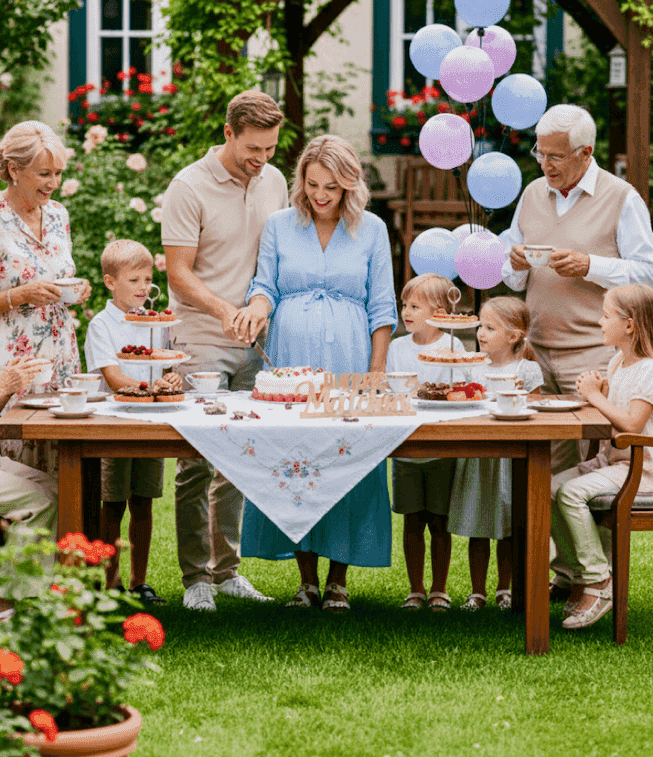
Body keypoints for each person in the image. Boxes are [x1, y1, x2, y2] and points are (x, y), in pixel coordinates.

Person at [235, 134, 398, 611]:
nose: (321, 195)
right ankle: (307, 580)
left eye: (332, 186)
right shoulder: (281, 226)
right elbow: (265, 286)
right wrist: (256, 311)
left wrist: (377, 370)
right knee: (298, 459)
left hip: (350, 356)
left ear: (349, 186)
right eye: (313, 184)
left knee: (349, 460)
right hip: (291, 357)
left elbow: (382, 304)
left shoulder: (371, 229)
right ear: (300, 181)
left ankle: (339, 581)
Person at [161, 90, 288, 612]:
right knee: (197, 459)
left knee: (239, 456)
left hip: (255, 336)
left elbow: (272, 258)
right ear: (229, 133)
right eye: (252, 149)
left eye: (271, 150)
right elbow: (178, 273)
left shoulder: (274, 182)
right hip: (202, 339)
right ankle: (195, 578)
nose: (260, 161)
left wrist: (257, 306)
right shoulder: (188, 187)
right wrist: (224, 312)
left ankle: (227, 569)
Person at [502, 103, 653, 473]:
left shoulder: (622, 197)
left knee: (593, 465)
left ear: (586, 153)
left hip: (593, 357)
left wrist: (591, 265)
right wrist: (515, 263)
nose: (545, 164)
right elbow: (512, 274)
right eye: (540, 152)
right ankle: (539, 534)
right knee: (541, 466)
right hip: (534, 351)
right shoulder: (533, 193)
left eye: (556, 155)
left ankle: (591, 534)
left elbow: (647, 275)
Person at [0, 121, 91, 474]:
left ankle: (69, 530)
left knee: (64, 455)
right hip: (10, 356)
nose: (54, 183)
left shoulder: (57, 216)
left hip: (60, 351)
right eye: (44, 174)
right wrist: (22, 294)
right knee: (15, 452)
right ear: (13, 170)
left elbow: (61, 274)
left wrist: (78, 289)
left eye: (58, 173)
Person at [84, 239, 181, 605]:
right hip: (116, 425)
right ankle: (110, 581)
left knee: (144, 501)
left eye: (147, 280)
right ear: (110, 282)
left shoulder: (155, 323)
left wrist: (169, 379)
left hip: (151, 423)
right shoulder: (102, 325)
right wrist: (147, 385)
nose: (143, 288)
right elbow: (112, 376)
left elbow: (165, 364)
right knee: (113, 504)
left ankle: (140, 581)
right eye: (134, 280)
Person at [551, 284, 653, 630]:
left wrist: (596, 396)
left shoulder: (649, 369)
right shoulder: (617, 362)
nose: (599, 322)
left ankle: (598, 581)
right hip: (614, 463)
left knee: (571, 492)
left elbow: (633, 425)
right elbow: (616, 411)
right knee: (547, 487)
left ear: (629, 325)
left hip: (641, 469)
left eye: (606, 315)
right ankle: (581, 573)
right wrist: (601, 391)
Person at [0, 256, 57, 620]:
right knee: (39, 501)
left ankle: (43, 589)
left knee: (59, 487)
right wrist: (1, 387)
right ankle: (1, 599)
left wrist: (10, 382)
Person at [447, 297, 543, 611]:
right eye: (481, 326)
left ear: (514, 336)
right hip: (478, 456)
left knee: (507, 526)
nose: (481, 333)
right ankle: (478, 591)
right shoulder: (472, 366)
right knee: (478, 526)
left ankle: (505, 589)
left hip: (509, 459)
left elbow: (536, 413)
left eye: (490, 328)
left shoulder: (527, 370)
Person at [386, 273, 467, 613]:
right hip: (407, 446)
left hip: (440, 446)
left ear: (437, 310)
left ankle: (440, 588)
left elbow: (460, 390)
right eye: (404, 304)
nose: (406, 311)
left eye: (414, 306)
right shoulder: (396, 347)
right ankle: (416, 589)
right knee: (412, 520)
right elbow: (392, 391)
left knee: (439, 520)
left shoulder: (452, 347)